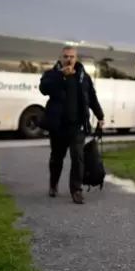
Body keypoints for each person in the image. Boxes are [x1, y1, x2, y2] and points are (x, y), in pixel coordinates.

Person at [39, 45, 104, 204]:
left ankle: (76, 190)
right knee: (57, 158)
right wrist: (60, 76)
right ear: (61, 58)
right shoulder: (52, 74)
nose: (69, 60)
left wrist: (100, 116)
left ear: (76, 58)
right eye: (66, 56)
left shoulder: (83, 77)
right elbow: (43, 89)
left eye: (72, 57)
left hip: (77, 125)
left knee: (78, 157)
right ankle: (53, 184)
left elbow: (92, 98)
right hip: (58, 125)